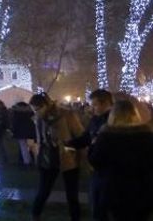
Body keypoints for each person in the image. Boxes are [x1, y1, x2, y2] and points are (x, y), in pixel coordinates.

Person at [88, 99, 153, 220]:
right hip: (142, 189)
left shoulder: (106, 136)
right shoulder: (146, 135)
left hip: (114, 189)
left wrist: (93, 145)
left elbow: (95, 160)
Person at [29, 93, 84, 221]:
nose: (35, 113)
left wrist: (68, 146)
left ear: (46, 105)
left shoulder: (66, 115)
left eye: (37, 109)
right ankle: (35, 215)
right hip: (47, 157)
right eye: (33, 110)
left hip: (67, 157)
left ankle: (75, 217)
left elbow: (79, 134)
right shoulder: (39, 118)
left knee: (72, 193)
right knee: (43, 189)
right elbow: (40, 139)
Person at [66, 89, 112, 220]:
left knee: (106, 207)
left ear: (106, 103)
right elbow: (86, 138)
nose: (91, 108)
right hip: (96, 169)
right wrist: (70, 143)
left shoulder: (114, 121)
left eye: (95, 105)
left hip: (110, 172)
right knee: (96, 204)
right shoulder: (96, 120)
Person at [9, 101, 36, 167]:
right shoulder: (30, 112)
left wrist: (13, 131)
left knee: (23, 147)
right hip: (30, 131)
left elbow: (14, 122)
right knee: (31, 146)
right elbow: (34, 120)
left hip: (20, 131)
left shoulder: (16, 113)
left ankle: (27, 162)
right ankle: (34, 160)